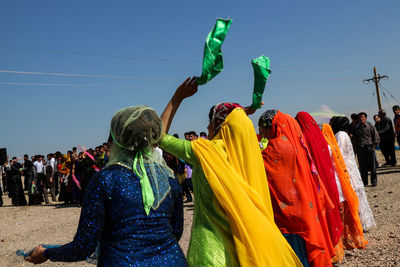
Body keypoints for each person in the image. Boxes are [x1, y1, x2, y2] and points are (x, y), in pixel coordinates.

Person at [160, 77, 301, 266]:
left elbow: (158, 136)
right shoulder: (249, 153)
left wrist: (177, 98)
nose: (208, 127)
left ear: (218, 125)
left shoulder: (202, 152)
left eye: (210, 122)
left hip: (210, 251)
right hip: (245, 245)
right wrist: (242, 113)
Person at [25, 106, 185, 266]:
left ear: (115, 139)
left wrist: (46, 253)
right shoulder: (169, 178)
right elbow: (176, 232)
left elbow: (84, 246)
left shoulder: (105, 179)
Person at [259, 110, 334, 267]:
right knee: (307, 245)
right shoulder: (297, 143)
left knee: (294, 252)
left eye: (262, 130)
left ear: (271, 127)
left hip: (288, 213)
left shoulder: (272, 149)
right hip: (305, 206)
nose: (262, 134)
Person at [295, 111, 344, 263]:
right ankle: (336, 249)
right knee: (331, 211)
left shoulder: (303, 137)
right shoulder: (319, 136)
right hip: (328, 179)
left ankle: (327, 250)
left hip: (317, 182)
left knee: (321, 214)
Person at [322, 124, 368, 250]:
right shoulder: (332, 142)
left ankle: (344, 237)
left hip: (335, 178)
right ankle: (351, 237)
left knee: (342, 209)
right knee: (345, 208)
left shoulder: (329, 143)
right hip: (341, 176)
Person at [330, 116, 376, 231]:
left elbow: (338, 153)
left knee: (352, 193)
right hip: (350, 166)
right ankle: (363, 223)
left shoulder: (340, 135)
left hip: (347, 167)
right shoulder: (344, 134)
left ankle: (358, 223)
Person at [354, 112, 380, 186]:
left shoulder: (370, 126)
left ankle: (374, 181)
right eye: (359, 118)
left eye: (362, 117)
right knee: (362, 167)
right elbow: (355, 139)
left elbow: (376, 138)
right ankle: (364, 182)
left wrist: (373, 148)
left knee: (372, 166)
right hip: (360, 150)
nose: (361, 119)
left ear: (365, 118)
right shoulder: (357, 128)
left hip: (369, 148)